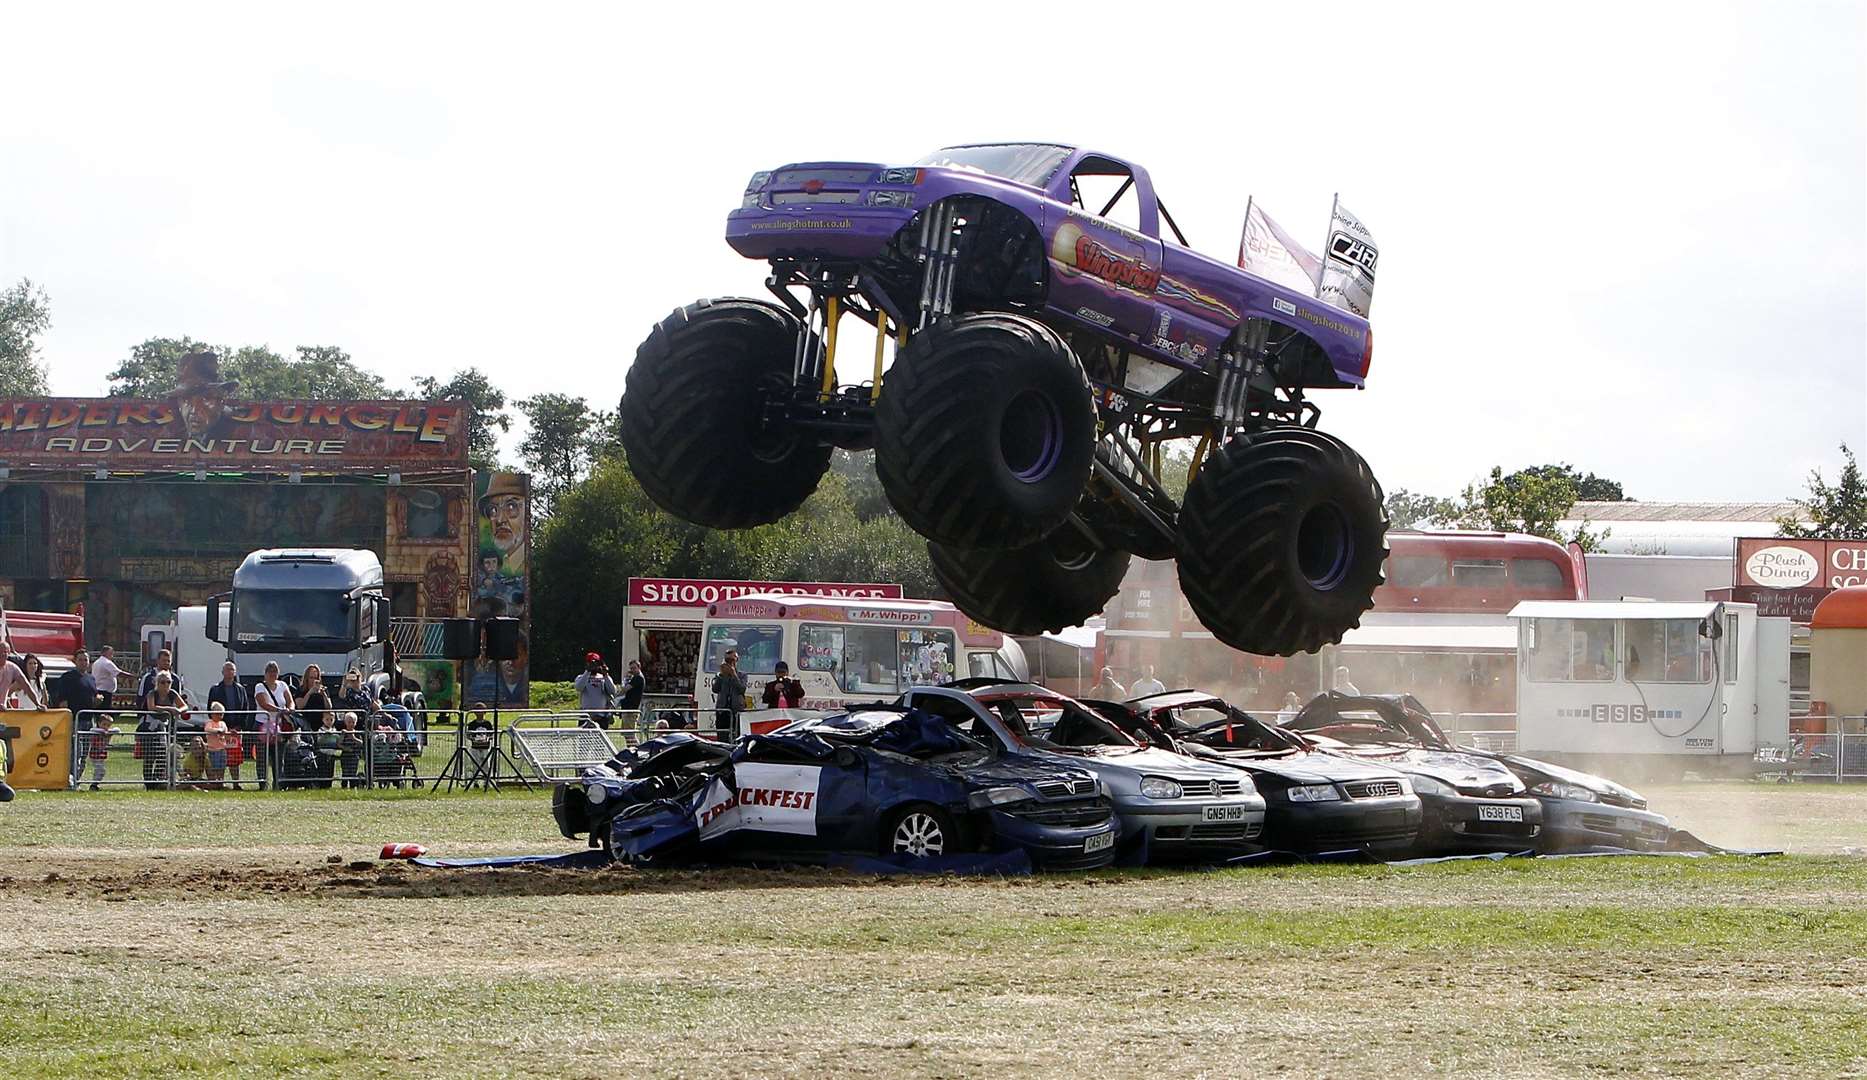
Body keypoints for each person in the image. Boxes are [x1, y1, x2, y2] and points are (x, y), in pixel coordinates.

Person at [208, 663, 253, 788]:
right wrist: (222, 728)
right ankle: (219, 783)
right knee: (220, 757)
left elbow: (245, 708)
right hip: (220, 731)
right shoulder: (215, 689)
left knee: (235, 757)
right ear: (222, 672)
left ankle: (236, 783)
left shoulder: (240, 689)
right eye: (227, 669)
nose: (229, 672)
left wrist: (239, 727)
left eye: (232, 669)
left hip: (236, 730)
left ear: (235, 672)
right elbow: (210, 710)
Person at [139, 671, 185, 790]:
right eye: (162, 682)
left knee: (163, 754)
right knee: (149, 756)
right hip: (148, 728)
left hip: (163, 728)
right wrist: (170, 709)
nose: (165, 685)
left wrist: (179, 710)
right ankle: (148, 783)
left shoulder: (172, 694)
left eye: (168, 682)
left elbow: (184, 706)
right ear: (157, 683)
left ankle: (157, 780)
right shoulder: (152, 693)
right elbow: (152, 707)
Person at [253, 662, 294, 790]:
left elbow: (290, 701)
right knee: (262, 758)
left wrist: (290, 709)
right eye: (270, 671)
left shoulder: (283, 685)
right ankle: (263, 784)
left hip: (279, 726)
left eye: (275, 671)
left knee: (278, 757)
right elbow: (264, 703)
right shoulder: (260, 686)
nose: (272, 674)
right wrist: (280, 710)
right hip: (262, 725)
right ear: (265, 673)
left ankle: (279, 784)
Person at [574, 653, 617, 728]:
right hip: (586, 715)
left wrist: (606, 675)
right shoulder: (581, 677)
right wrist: (587, 671)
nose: (594, 666)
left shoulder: (603, 678)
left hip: (601, 715)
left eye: (596, 663)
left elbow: (612, 691)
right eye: (591, 663)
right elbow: (579, 688)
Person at [711, 649, 746, 734]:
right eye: (728, 660)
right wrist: (721, 676)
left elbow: (742, 689)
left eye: (732, 660)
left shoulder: (742, 675)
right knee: (722, 734)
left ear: (737, 660)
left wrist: (734, 674)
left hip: (736, 709)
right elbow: (715, 689)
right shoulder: (720, 675)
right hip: (723, 709)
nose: (730, 663)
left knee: (737, 734)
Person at [203, 703, 234, 788]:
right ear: (212, 713)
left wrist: (229, 733)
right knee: (214, 766)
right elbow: (208, 729)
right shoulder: (209, 723)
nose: (219, 716)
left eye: (221, 714)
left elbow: (225, 732)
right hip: (212, 749)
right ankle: (214, 782)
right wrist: (217, 731)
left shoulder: (223, 723)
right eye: (217, 713)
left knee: (222, 766)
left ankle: (221, 781)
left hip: (222, 749)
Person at [464, 703, 495, 779]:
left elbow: (491, 734)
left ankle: (486, 780)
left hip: (485, 747)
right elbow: (468, 735)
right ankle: (475, 780)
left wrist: (488, 738)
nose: (479, 712)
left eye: (481, 710)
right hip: (475, 747)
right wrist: (473, 739)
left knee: (486, 764)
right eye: (477, 710)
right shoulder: (472, 724)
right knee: (475, 764)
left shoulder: (487, 724)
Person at [297, 665, 330, 733]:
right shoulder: (301, 690)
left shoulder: (323, 689)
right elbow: (300, 706)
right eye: (311, 678)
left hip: (321, 723)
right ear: (307, 678)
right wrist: (310, 692)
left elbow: (329, 707)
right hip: (306, 721)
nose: (314, 680)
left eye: (316, 678)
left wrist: (324, 695)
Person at [85, 715, 113, 790]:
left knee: (100, 770)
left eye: (108, 725)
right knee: (101, 770)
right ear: (99, 723)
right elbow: (92, 730)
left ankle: (95, 784)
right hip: (95, 755)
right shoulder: (95, 731)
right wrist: (103, 732)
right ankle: (94, 785)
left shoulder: (106, 733)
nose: (106, 727)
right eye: (104, 724)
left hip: (101, 755)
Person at [90, 645, 123, 710]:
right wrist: (133, 676)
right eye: (110, 653)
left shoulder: (97, 662)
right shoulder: (106, 662)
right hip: (104, 692)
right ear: (104, 653)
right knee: (105, 711)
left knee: (99, 710)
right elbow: (119, 673)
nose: (112, 656)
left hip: (98, 690)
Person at [337, 713, 365, 789]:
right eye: (349, 722)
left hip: (354, 756)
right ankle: (344, 786)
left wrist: (353, 738)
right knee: (345, 772)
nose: (351, 724)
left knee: (353, 772)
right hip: (345, 755)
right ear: (345, 722)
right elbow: (339, 744)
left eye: (353, 722)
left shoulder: (357, 733)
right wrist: (345, 747)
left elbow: (361, 743)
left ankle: (352, 786)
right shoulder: (343, 733)